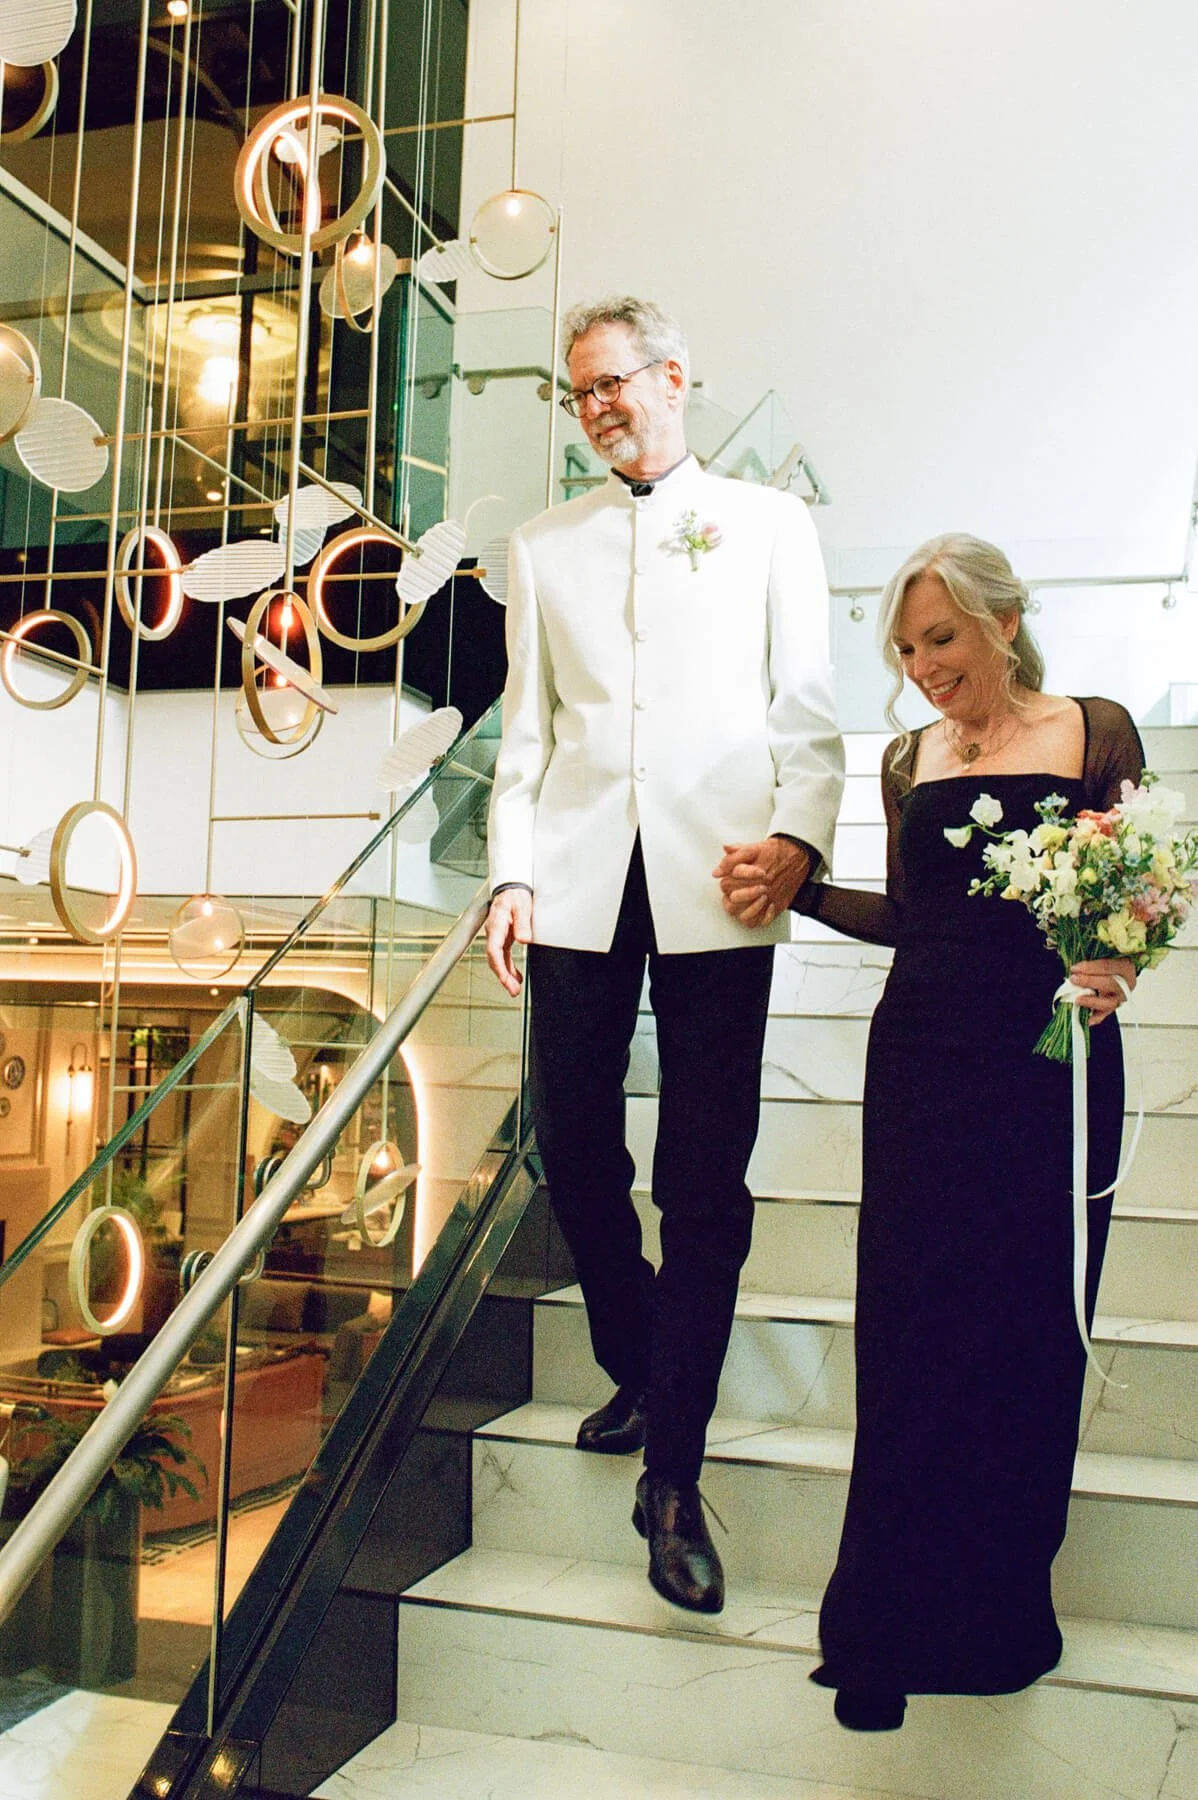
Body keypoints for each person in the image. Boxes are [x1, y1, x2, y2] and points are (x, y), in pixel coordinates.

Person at [720, 533, 1141, 1728]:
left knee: (1025, 1328)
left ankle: (999, 1614)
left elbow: (1131, 896)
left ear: (1003, 624)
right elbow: (915, 917)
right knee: (909, 1326)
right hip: (919, 1062)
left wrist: (1118, 962)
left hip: (1051, 1059)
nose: (921, 666)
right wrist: (796, 885)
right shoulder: (908, 757)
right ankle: (881, 1627)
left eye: (941, 639)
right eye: (905, 648)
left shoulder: (1095, 730)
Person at [485, 295, 844, 1614]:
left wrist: (798, 840)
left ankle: (674, 1477)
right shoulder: (542, 547)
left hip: (722, 879)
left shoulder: (767, 523)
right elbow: (525, 736)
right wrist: (513, 870)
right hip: (578, 883)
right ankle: (637, 1351)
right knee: (569, 1149)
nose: (596, 409)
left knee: (704, 1183)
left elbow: (803, 709)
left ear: (673, 375)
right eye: (576, 393)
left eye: (611, 384)